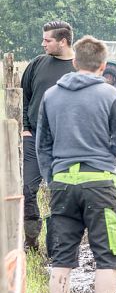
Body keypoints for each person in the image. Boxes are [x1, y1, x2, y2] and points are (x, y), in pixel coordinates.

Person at [35, 36, 116, 293]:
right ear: (103, 66)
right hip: (100, 182)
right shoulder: (110, 95)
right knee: (108, 255)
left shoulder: (51, 95)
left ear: (74, 62)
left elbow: (42, 145)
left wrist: (53, 177)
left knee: (61, 255)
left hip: (62, 183)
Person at [21, 20, 76, 252]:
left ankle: (56, 246)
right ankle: (31, 239)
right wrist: (25, 126)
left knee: (60, 193)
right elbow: (24, 95)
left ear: (63, 42)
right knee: (26, 189)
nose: (43, 44)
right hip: (34, 137)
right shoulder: (37, 64)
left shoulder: (77, 68)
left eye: (48, 40)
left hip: (63, 144)